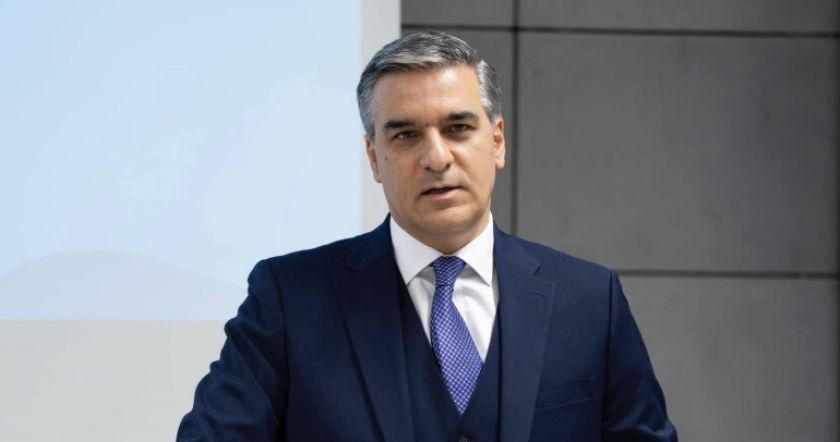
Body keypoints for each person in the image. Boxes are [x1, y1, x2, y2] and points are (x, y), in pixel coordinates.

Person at [178, 31, 677, 442]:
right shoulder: (289, 299)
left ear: (496, 142)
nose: (436, 158)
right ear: (374, 159)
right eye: (405, 135)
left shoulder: (589, 300)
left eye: (458, 128)